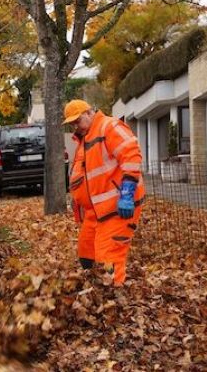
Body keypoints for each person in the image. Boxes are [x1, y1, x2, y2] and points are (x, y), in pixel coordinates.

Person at [64, 99, 145, 287]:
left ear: (89, 113)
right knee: (86, 251)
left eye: (77, 121)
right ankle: (95, 289)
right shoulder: (85, 138)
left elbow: (131, 156)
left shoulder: (109, 127)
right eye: (71, 124)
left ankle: (113, 292)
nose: (75, 127)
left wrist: (127, 194)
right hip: (96, 211)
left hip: (118, 207)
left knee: (108, 256)